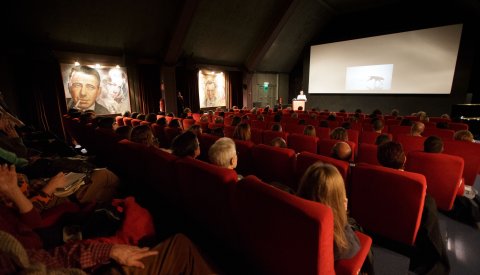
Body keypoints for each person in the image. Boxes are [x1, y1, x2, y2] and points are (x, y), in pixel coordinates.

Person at [0, 164, 216, 274]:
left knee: (104, 176)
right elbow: (38, 250)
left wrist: (13, 193)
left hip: (57, 241)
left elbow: (36, 245)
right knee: (181, 247)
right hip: (66, 252)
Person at [377, 141, 450, 274]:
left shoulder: (366, 178)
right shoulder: (419, 190)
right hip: (407, 243)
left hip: (378, 235)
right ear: (404, 159)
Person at [297, 162, 360, 260]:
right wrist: (343, 214)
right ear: (338, 197)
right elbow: (355, 246)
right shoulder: (335, 242)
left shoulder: (290, 214)